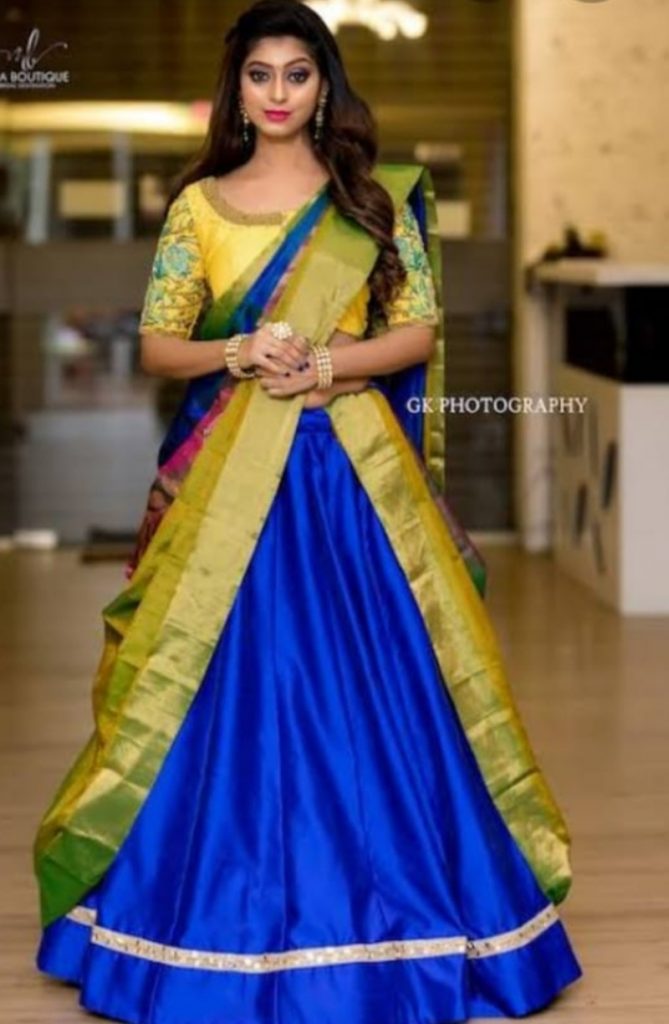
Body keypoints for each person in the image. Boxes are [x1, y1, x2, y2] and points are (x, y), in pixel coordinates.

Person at [32, 2, 583, 1022]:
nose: (278, 92)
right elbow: (159, 346)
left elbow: (415, 332)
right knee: (224, 685)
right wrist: (238, 351)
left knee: (379, 687)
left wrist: (328, 364)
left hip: (348, 476)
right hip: (233, 479)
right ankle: (200, 914)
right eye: (260, 74)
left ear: (324, 85)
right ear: (236, 89)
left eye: (297, 73)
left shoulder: (368, 199)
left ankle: (408, 912)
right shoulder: (198, 206)